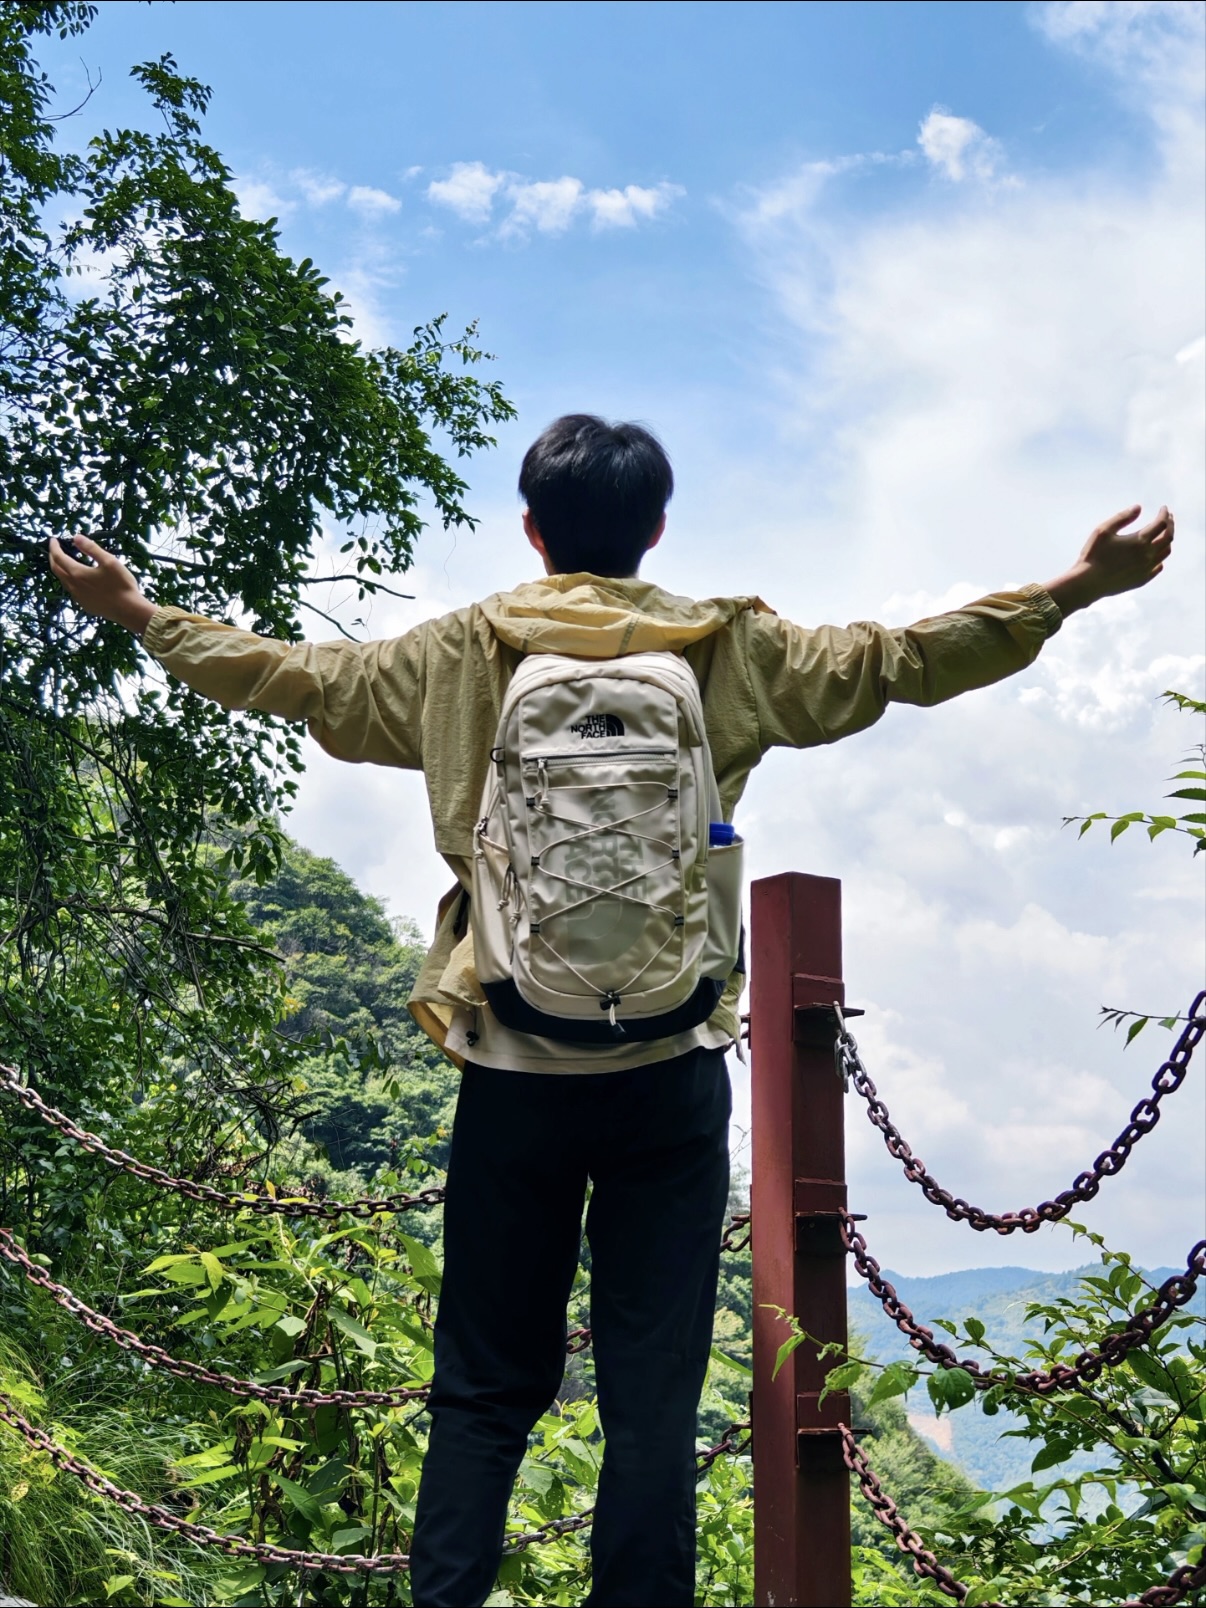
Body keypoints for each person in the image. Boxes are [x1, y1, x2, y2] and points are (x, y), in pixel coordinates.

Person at [50, 414, 1173, 1606]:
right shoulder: (728, 647)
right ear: (658, 529)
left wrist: (140, 613)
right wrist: (1073, 589)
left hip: (514, 1061)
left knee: (482, 1390)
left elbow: (290, 677)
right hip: (669, 1067)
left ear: (533, 531)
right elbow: (901, 659)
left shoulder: (458, 652)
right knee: (653, 1396)